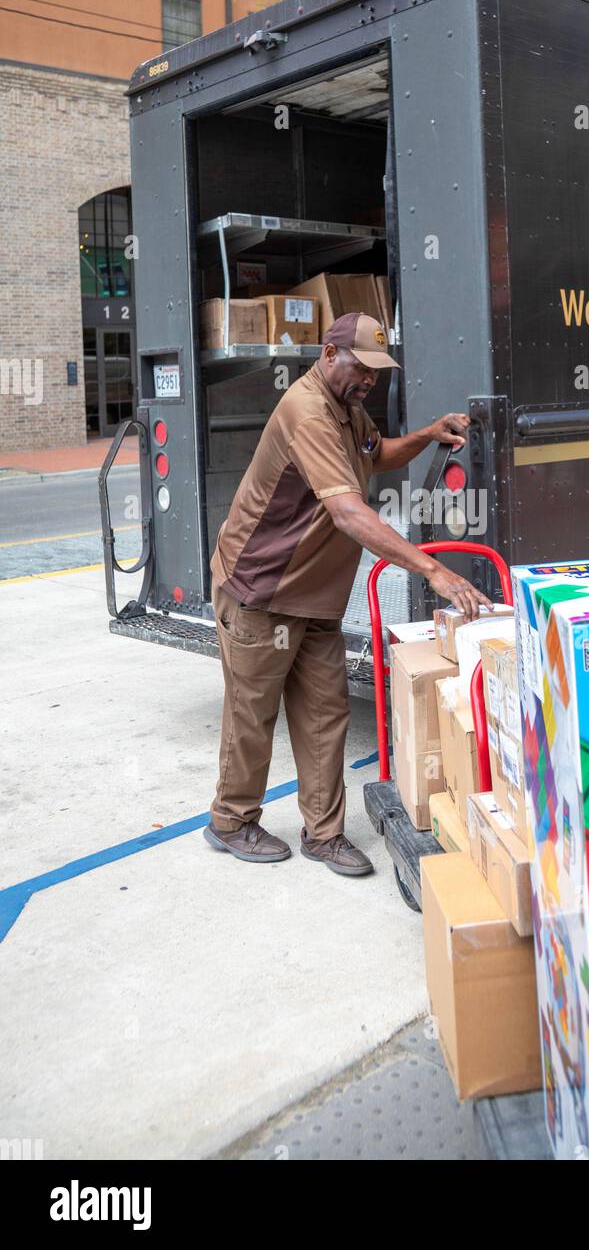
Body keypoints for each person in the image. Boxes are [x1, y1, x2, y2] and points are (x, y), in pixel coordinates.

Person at [203, 309, 492, 874]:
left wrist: (427, 435)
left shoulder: (349, 410)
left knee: (324, 714)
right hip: (260, 590)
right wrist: (431, 571)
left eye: (378, 372)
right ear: (329, 355)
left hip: (313, 595)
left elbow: (375, 455)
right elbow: (347, 510)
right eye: (361, 367)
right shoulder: (306, 410)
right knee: (252, 715)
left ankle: (324, 834)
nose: (369, 380)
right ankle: (231, 820)